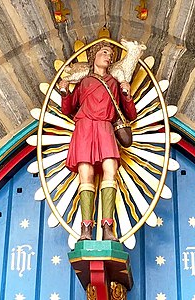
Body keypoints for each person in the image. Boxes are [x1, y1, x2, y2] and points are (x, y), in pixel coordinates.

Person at [59, 41, 137, 241]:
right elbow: (68, 109)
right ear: (94, 56)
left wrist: (127, 94)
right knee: (86, 173)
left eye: (110, 54)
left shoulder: (114, 82)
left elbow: (130, 114)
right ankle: (86, 229)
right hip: (85, 127)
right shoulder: (85, 82)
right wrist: (65, 92)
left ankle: (108, 227)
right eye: (104, 52)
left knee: (110, 169)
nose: (108, 56)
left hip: (105, 127)